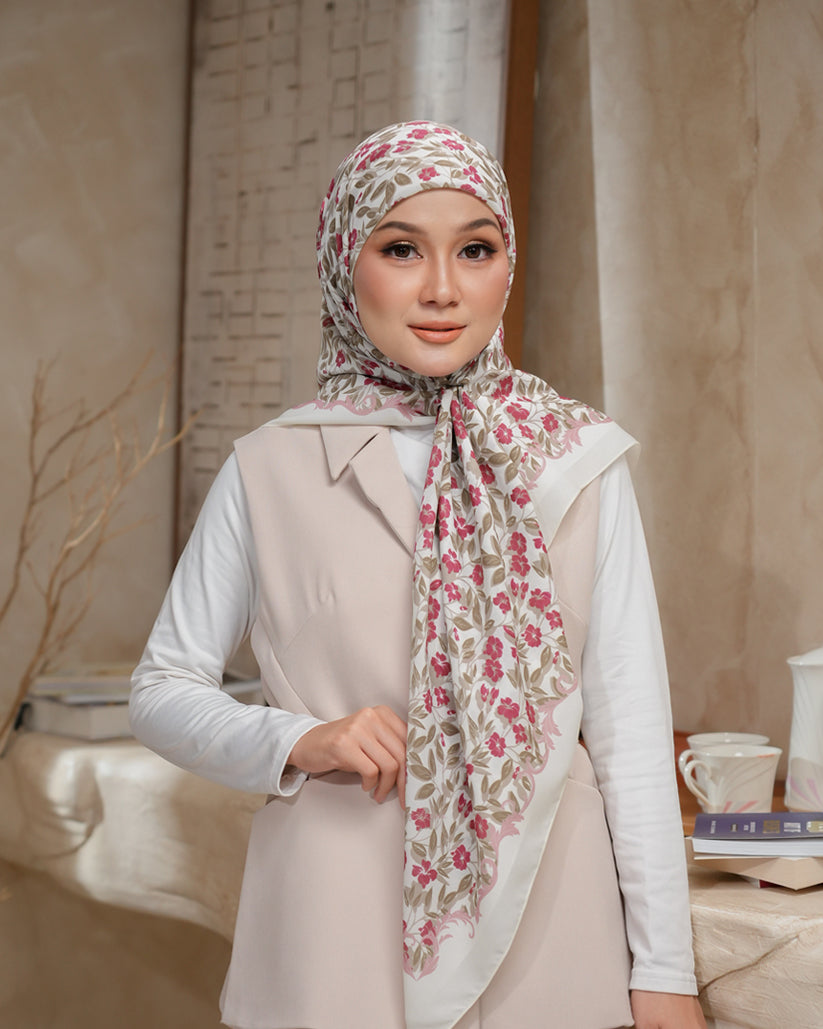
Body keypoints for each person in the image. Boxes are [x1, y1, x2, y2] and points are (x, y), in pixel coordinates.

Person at [130, 121, 707, 1029]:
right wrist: (299, 738)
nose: (442, 287)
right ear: (342, 262)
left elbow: (629, 732)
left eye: (475, 249)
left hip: (548, 944)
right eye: (400, 248)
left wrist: (663, 969)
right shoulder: (268, 467)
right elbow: (161, 689)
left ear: (505, 266)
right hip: (328, 946)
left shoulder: (578, 461)